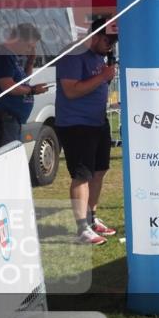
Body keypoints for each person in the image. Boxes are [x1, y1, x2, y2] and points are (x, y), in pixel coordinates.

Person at [56, 18, 118, 245]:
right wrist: (102, 76)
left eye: (114, 41)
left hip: (97, 121)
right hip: (76, 124)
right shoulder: (73, 54)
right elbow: (70, 91)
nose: (111, 45)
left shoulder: (98, 56)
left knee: (99, 171)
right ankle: (82, 228)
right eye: (107, 40)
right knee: (81, 175)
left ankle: (91, 218)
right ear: (95, 35)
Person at [0, 23, 50, 152]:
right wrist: (33, 90)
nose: (29, 50)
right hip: (0, 119)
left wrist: (31, 61)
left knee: (11, 157)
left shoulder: (13, 56)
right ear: (19, 40)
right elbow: (8, 86)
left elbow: (23, 82)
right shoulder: (2, 55)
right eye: (29, 46)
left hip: (9, 119)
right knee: (6, 159)